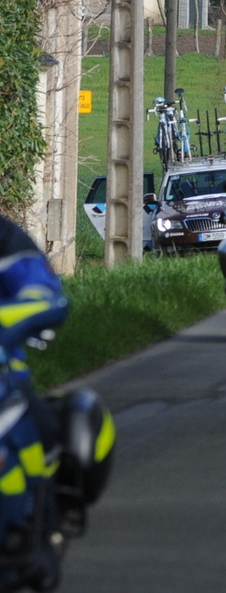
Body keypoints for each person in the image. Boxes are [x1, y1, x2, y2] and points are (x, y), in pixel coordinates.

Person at [0, 216, 71, 590]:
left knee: (47, 432)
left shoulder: (3, 236)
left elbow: (38, 284)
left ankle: (39, 532)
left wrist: (33, 305)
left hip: (2, 378)